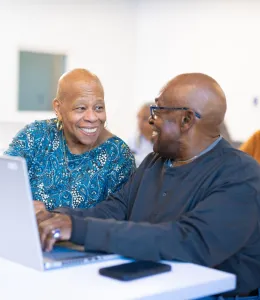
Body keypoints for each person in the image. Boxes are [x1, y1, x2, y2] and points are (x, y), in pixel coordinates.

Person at [35, 73, 260, 299]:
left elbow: (186, 241)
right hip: (151, 282)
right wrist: (53, 217)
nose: (151, 120)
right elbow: (113, 210)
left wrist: (78, 228)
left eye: (158, 111)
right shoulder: (156, 161)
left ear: (186, 120)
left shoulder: (241, 174)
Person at [5, 68, 135, 210]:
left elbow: (117, 218)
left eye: (99, 108)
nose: (92, 117)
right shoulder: (34, 135)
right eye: (80, 108)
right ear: (58, 108)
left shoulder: (118, 156)